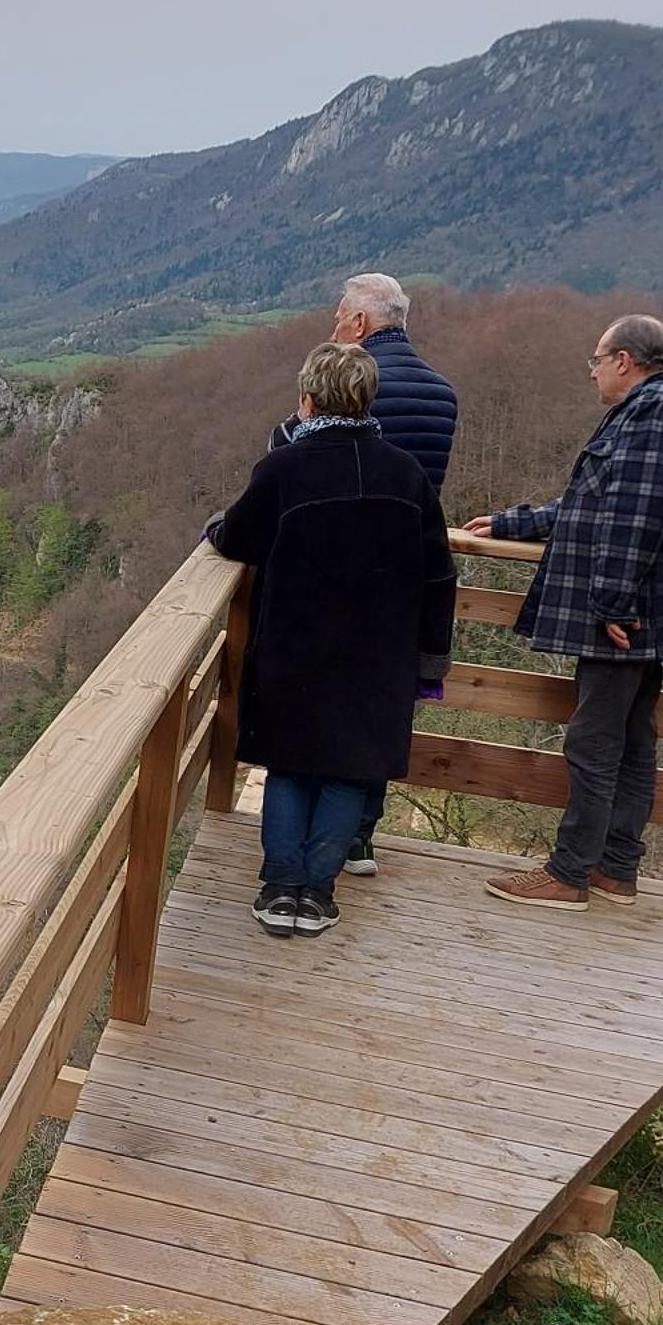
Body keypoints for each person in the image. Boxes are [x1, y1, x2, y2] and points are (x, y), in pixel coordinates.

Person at [465, 314, 663, 911]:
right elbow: (598, 501)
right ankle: (614, 869)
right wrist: (519, 522)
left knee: (593, 741)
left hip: (628, 612)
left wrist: (612, 600)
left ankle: (570, 873)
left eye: (596, 359)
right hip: (644, 608)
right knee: (632, 738)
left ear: (625, 361)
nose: (592, 371)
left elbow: (636, 515)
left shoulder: (658, 411)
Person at [210, 342, 456, 937]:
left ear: (308, 399)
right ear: (368, 399)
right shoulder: (406, 474)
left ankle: (279, 886)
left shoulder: (284, 468)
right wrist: (431, 663)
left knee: (289, 765)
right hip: (378, 657)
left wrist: (216, 528)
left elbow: (238, 539)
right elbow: (439, 573)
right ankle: (317, 893)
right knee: (349, 770)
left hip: (296, 648)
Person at [270, 272, 458, 874]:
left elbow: (313, 465)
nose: (333, 325)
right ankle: (358, 841)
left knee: (309, 730)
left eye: (338, 316)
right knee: (375, 719)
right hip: (398, 589)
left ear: (358, 324)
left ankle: (297, 866)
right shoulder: (441, 394)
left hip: (323, 582)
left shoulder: (354, 388)